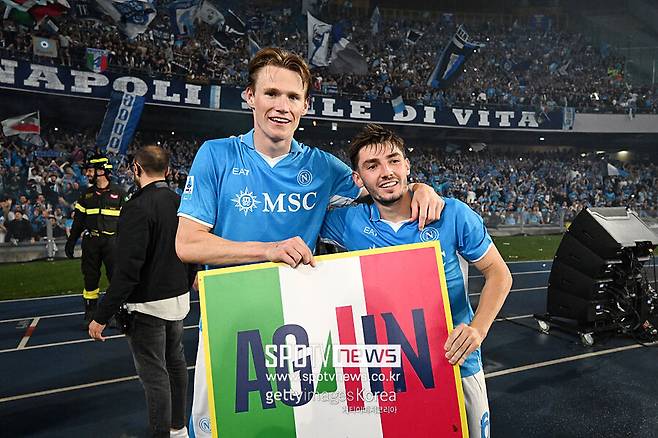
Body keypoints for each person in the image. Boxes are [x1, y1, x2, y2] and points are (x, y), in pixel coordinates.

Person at [175, 47, 444, 438]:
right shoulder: (216, 155)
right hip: (231, 321)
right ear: (250, 96)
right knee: (222, 430)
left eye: (293, 96)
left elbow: (381, 184)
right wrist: (267, 251)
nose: (281, 106)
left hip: (298, 322)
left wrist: (419, 187)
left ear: (305, 105)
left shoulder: (321, 166)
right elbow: (188, 243)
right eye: (271, 93)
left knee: (297, 427)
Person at [319, 124, 513, 438]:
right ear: (358, 179)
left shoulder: (452, 214)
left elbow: (498, 273)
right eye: (372, 166)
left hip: (455, 363)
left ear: (407, 165)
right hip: (386, 372)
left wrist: (478, 329)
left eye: (394, 161)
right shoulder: (348, 223)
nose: (386, 172)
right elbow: (301, 210)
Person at [88, 146, 191, 438]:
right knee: (176, 364)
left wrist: (101, 315)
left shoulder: (137, 207)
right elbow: (192, 249)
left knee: (155, 374)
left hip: (147, 306)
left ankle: (163, 433)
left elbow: (127, 270)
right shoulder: (180, 202)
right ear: (168, 171)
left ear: (136, 169)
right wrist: (188, 281)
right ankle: (178, 429)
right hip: (178, 300)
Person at [65, 156, 126, 329]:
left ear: (101, 171)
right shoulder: (86, 195)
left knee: (115, 278)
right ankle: (91, 314)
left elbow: (128, 221)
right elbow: (78, 221)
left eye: (90, 170)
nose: (87, 174)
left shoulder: (120, 193)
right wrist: (71, 241)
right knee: (90, 279)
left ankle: (115, 313)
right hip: (91, 242)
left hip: (113, 243)